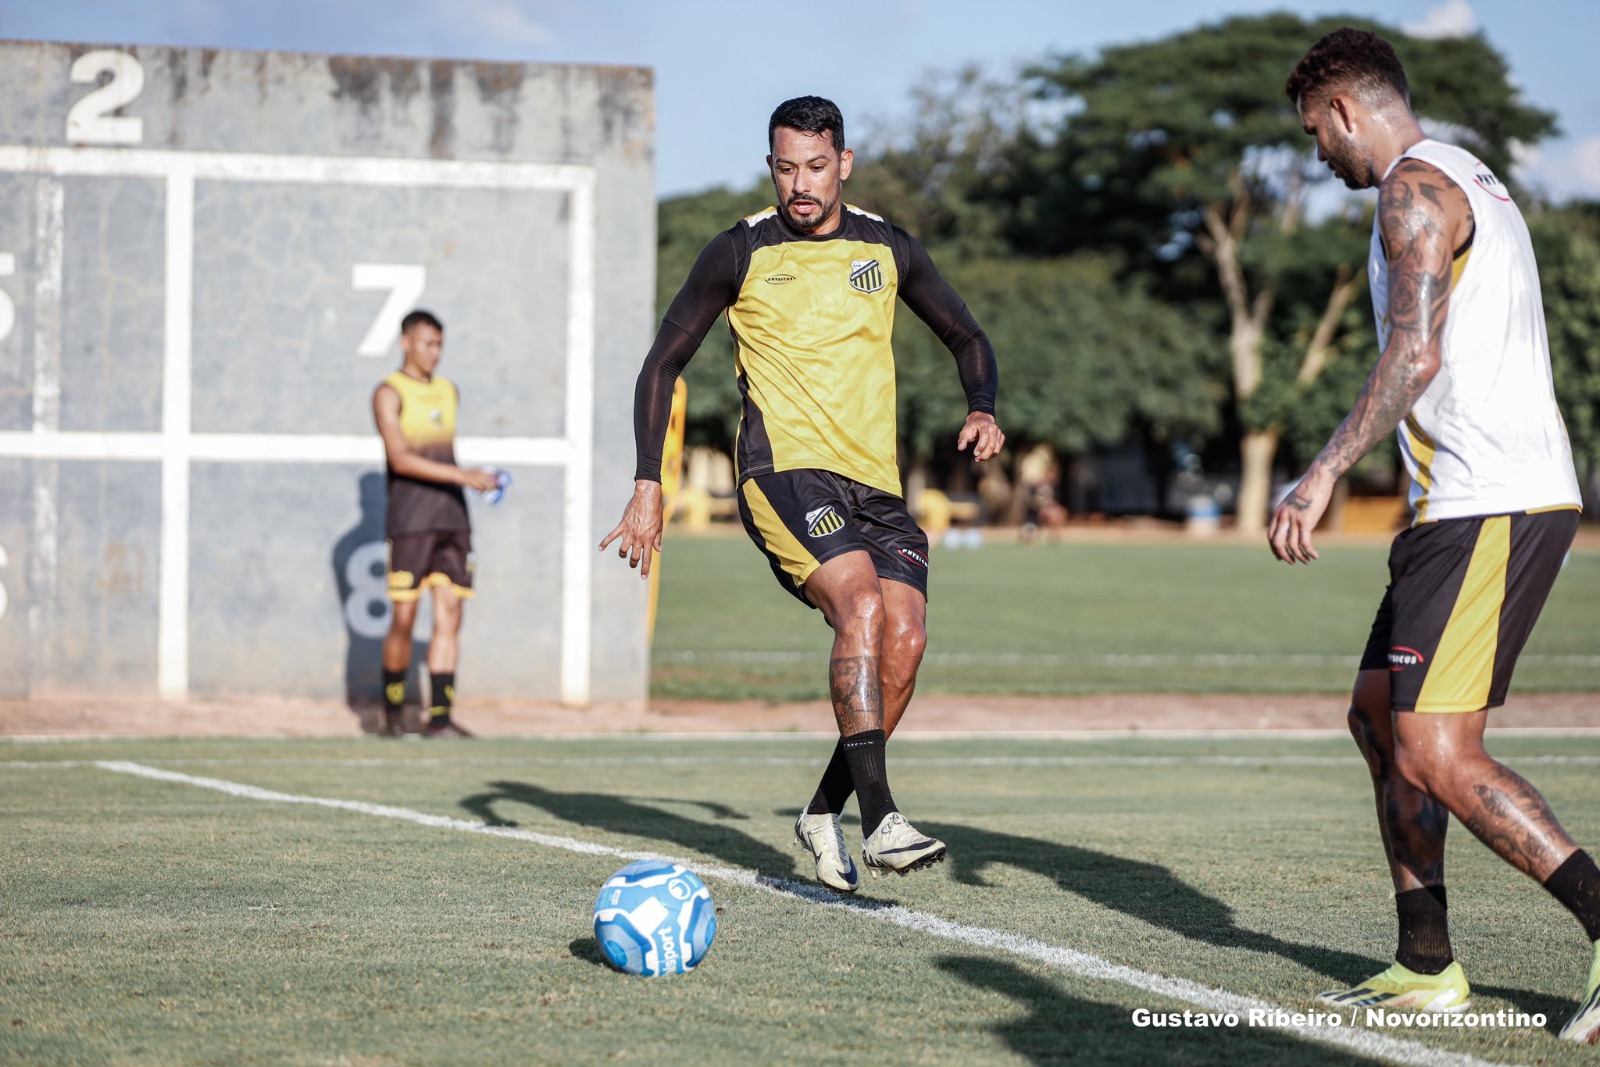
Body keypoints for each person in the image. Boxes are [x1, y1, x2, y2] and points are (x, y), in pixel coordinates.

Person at [1274, 30, 1599, 1043]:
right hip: (1455, 506)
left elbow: (1413, 355)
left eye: (1312, 134)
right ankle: (1425, 964)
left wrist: (1321, 468)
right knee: (1379, 716)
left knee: (1438, 748)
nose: (1315, 156)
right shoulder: (1463, 174)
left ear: (1340, 109)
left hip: (1489, 500)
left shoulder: (1413, 189)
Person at [600, 96, 1005, 893]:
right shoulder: (739, 251)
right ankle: (882, 818)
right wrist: (648, 478)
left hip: (876, 485)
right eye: (786, 168)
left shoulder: (886, 247)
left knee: (908, 636)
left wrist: (982, 405)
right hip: (782, 473)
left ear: (844, 164)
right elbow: (661, 364)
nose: (801, 184)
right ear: (771, 167)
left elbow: (967, 334)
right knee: (860, 604)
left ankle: (824, 808)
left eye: (816, 167)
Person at [372, 309, 499, 739]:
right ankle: (392, 712)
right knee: (404, 618)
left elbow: (441, 455)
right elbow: (400, 458)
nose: (435, 353)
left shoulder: (449, 390)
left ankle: (440, 719)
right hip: (410, 520)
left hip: (452, 518)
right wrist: (464, 476)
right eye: (428, 343)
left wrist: (477, 480)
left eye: (440, 344)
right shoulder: (389, 393)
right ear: (406, 342)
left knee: (450, 615)